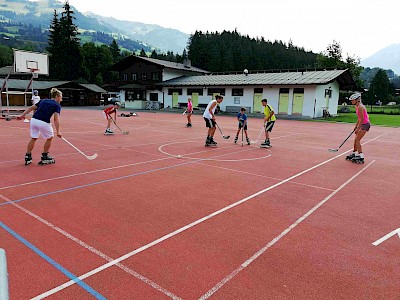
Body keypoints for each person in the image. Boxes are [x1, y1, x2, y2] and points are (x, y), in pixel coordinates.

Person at [17, 88, 63, 165]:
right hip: (43, 122)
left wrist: (22, 116)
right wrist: (58, 131)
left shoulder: (43, 100)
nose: (61, 99)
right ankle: (45, 156)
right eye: (61, 97)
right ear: (57, 96)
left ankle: (28, 155)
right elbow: (56, 119)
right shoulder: (57, 105)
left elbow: (30, 108)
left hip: (34, 120)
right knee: (50, 138)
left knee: (34, 138)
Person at [346, 92, 370, 164]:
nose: (351, 101)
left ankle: (361, 155)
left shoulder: (360, 107)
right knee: (356, 139)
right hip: (362, 124)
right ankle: (355, 153)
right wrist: (355, 126)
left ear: (357, 100)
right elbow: (359, 118)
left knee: (357, 140)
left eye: (352, 100)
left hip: (365, 124)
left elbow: (362, 119)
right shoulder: (357, 106)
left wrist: (358, 128)